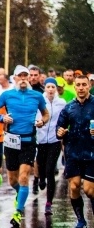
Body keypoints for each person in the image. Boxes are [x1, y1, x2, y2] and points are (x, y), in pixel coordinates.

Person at [0, 65, 49, 228]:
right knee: (13, 180)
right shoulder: (7, 95)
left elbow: (46, 114)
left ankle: (17, 212)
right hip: (11, 142)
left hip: (29, 141)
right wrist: (2, 117)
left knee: (24, 178)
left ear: (29, 78)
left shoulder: (37, 96)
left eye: (26, 76)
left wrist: (42, 121)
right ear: (14, 78)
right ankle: (21, 194)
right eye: (20, 76)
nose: (23, 79)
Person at [56, 74, 94, 228]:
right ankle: (80, 221)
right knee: (74, 186)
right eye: (78, 85)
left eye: (83, 85)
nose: (80, 88)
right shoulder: (69, 107)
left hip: (92, 153)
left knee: (89, 190)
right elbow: (59, 128)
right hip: (73, 153)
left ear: (89, 86)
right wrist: (61, 132)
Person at [36, 78, 66, 214]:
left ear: (56, 89)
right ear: (45, 88)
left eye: (53, 87)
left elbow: (65, 119)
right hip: (40, 139)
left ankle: (49, 203)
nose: (51, 89)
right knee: (41, 167)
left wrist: (64, 132)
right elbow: (34, 117)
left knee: (50, 170)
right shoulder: (39, 101)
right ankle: (41, 179)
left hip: (55, 140)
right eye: (48, 87)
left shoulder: (62, 103)